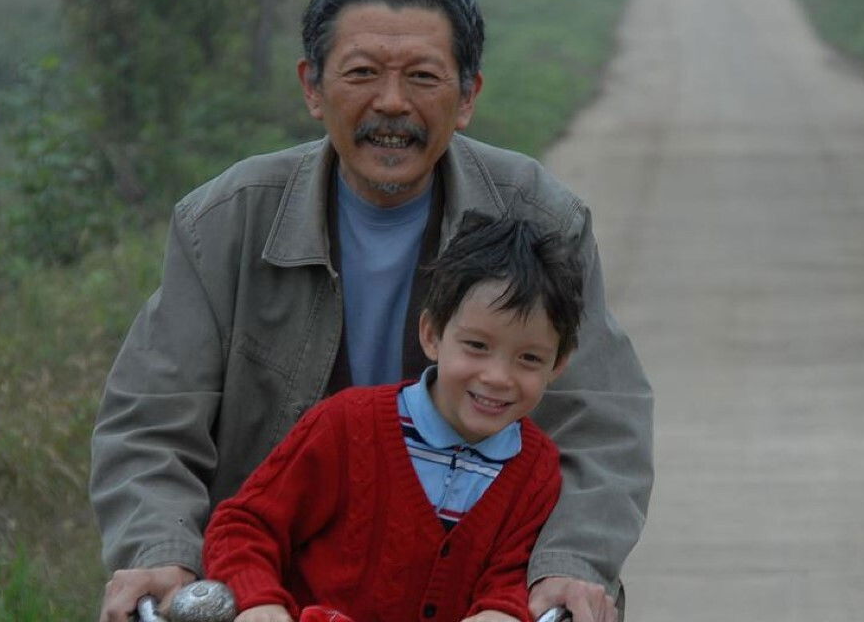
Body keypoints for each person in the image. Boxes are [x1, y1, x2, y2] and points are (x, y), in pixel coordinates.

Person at [91, 0, 652, 622]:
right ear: (313, 87)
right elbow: (151, 421)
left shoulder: (539, 217)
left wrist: (570, 564)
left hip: (481, 598)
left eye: (423, 77)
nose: (391, 102)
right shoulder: (224, 222)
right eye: (361, 73)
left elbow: (602, 423)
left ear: (467, 96)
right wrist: (160, 549)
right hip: (262, 596)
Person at [203, 214, 582, 622]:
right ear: (431, 335)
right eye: (476, 346)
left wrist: (501, 609)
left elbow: (513, 573)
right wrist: (258, 601)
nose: (497, 377)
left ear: (558, 364)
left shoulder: (536, 471)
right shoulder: (345, 426)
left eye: (529, 358)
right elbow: (245, 526)